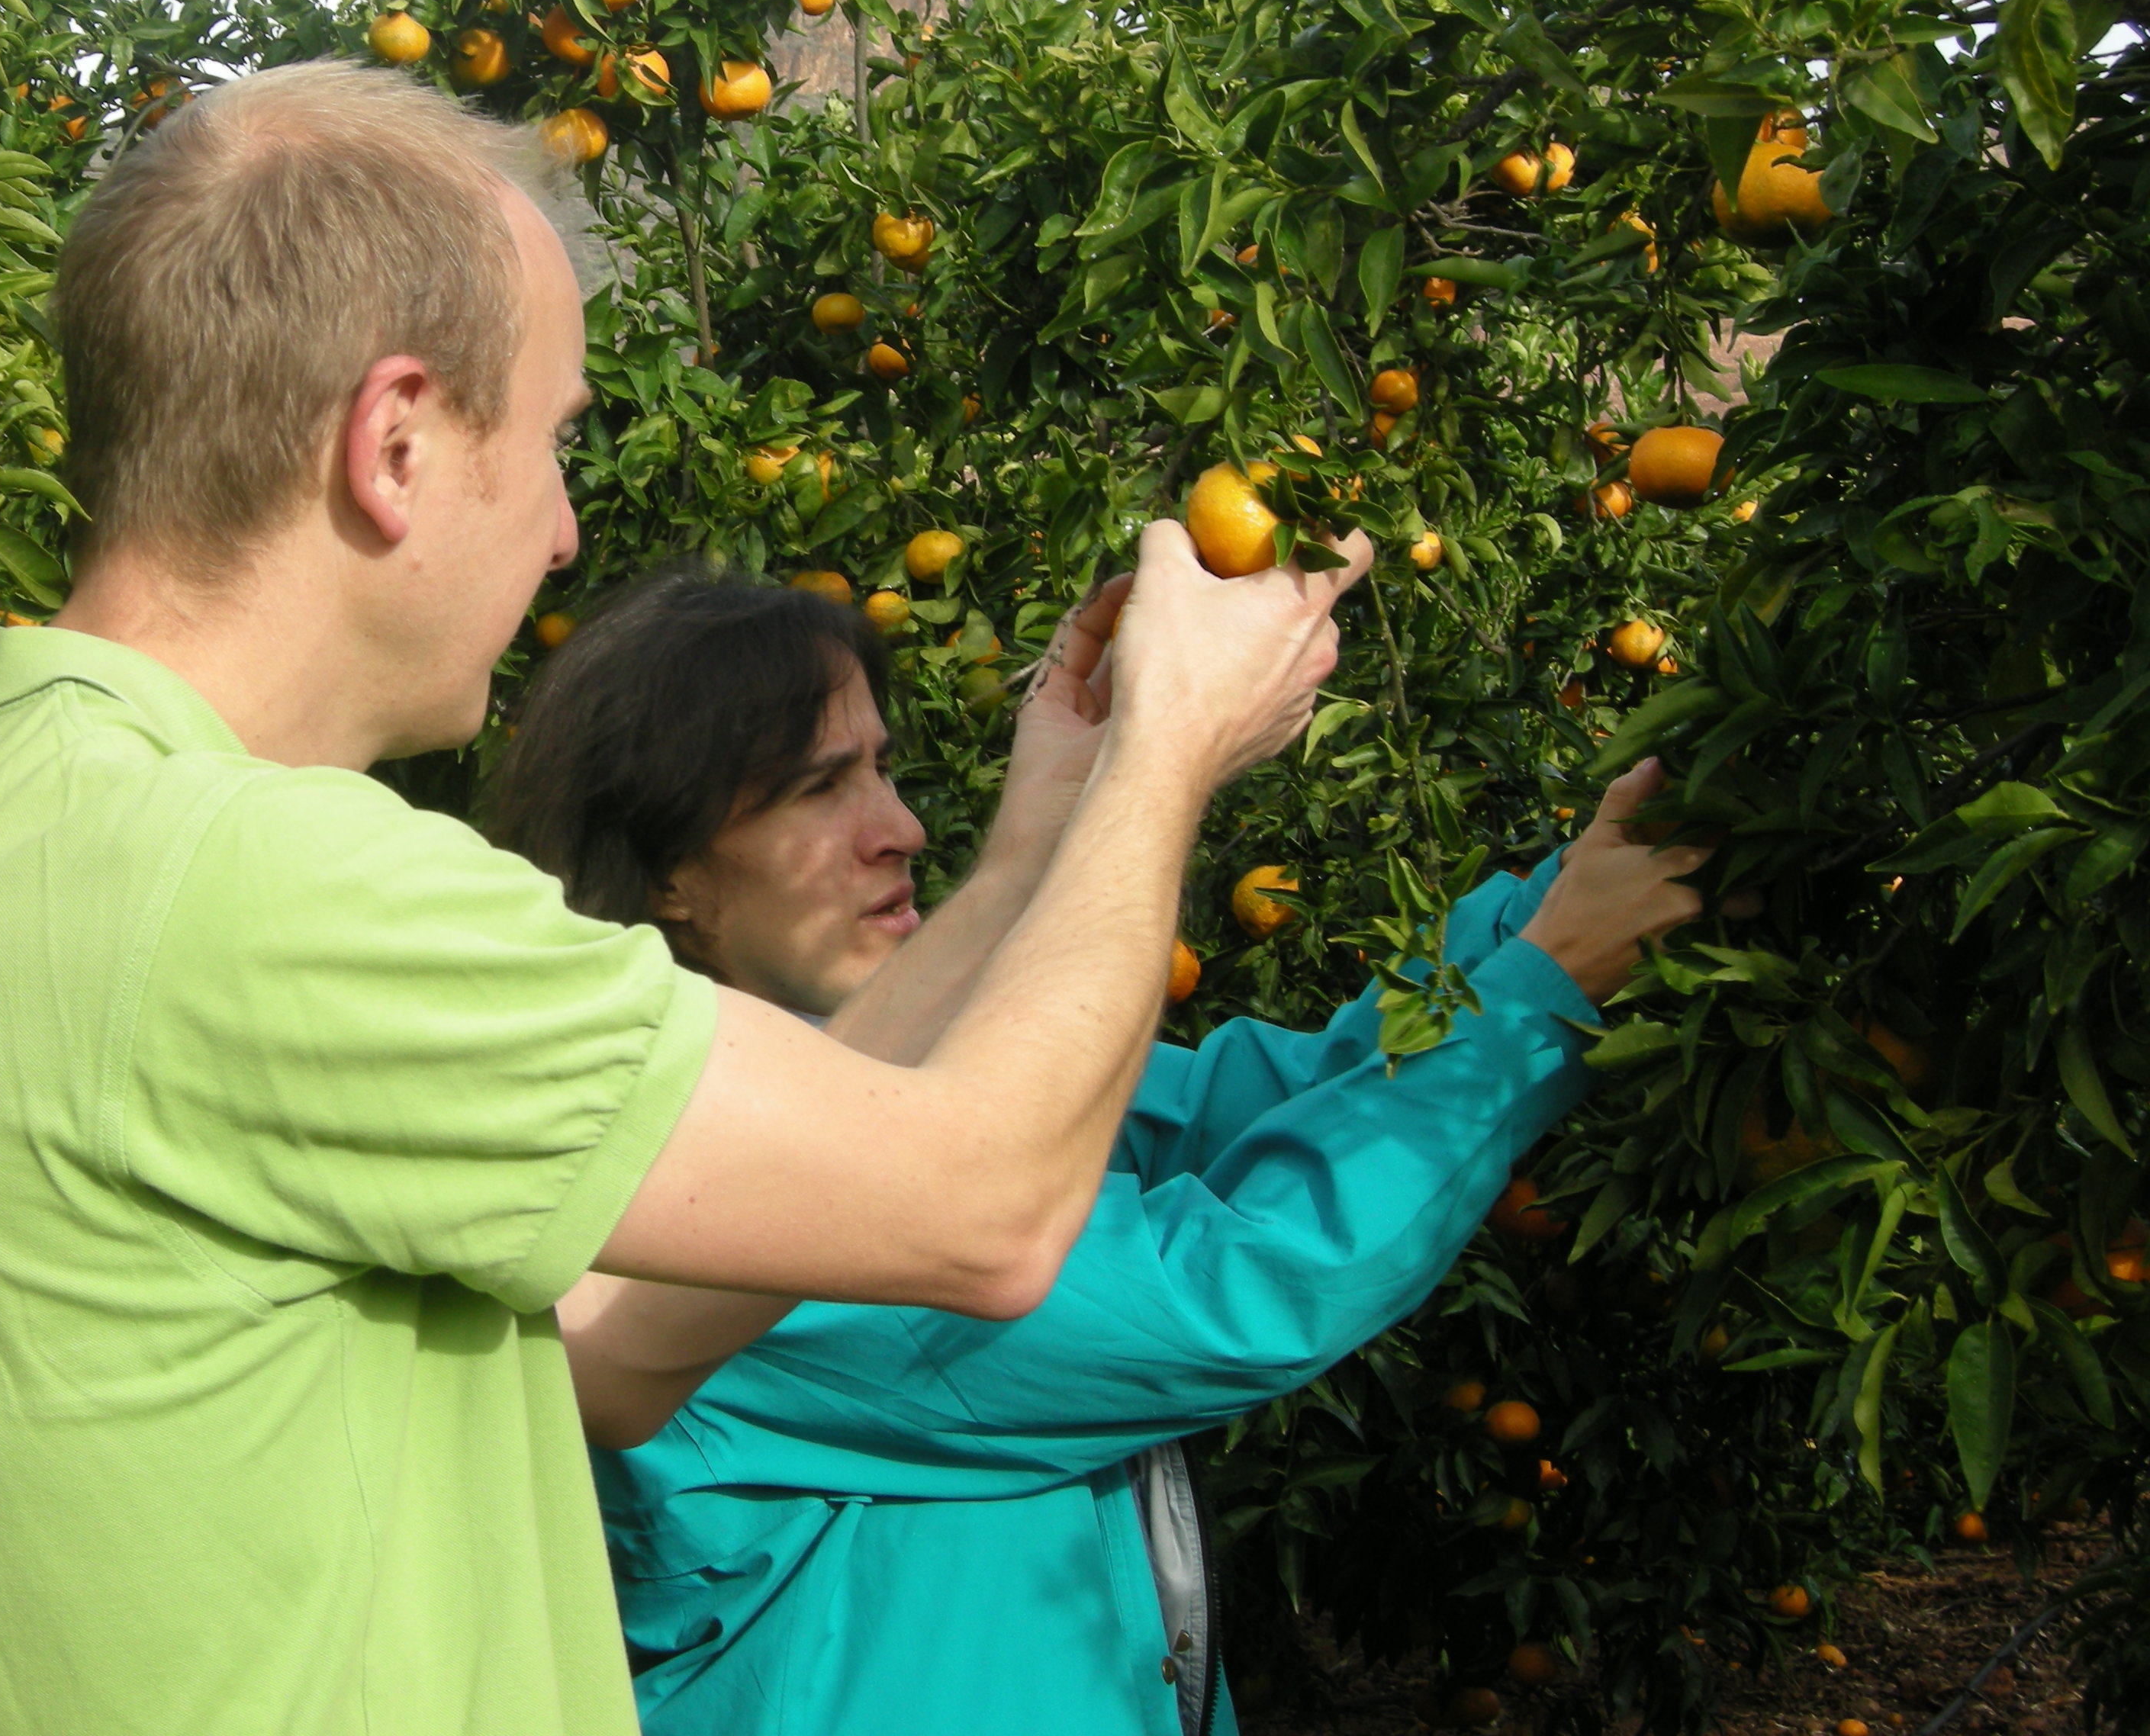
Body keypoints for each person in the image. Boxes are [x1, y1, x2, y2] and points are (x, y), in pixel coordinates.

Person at [0, 60, 1376, 1736]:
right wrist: (1168, 754)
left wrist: (1033, 846)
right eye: (548, 441)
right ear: (393, 443)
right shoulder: (259, 887)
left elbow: (607, 1345)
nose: (567, 532)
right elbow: (991, 1208)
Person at [484, 564, 1711, 1736]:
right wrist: (1540, 995)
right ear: (669, 876)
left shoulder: (932, 1087)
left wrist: (1552, 905)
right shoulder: (706, 1196)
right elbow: (1227, 1286)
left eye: (885, 770)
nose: (903, 827)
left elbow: (1260, 1098)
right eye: (820, 788)